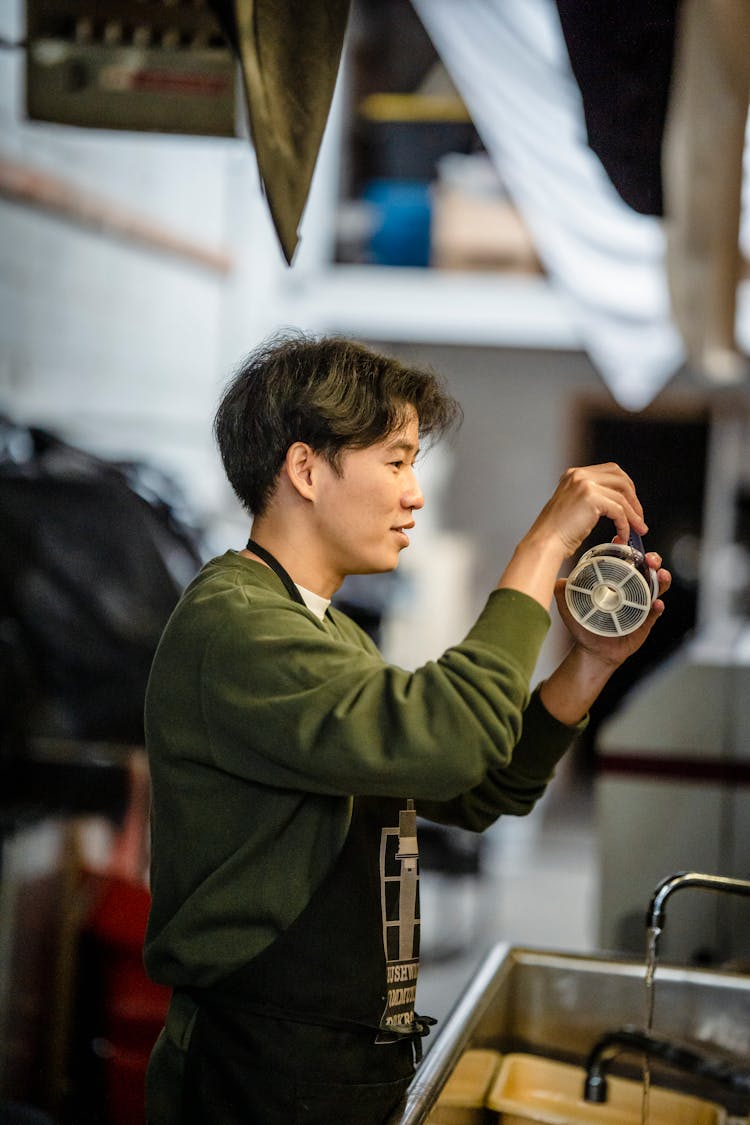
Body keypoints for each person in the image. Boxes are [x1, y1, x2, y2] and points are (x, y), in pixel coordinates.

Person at [143, 333, 670, 1124]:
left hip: (334, 1057)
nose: (414, 493)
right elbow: (447, 735)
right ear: (306, 469)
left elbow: (473, 782)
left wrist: (587, 665)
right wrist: (540, 548)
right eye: (395, 461)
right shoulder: (236, 626)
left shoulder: (327, 631)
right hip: (261, 1069)